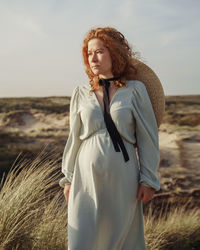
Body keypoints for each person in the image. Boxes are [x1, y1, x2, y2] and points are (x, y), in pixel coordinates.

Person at [59, 27, 165, 250]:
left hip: (123, 177)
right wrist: (68, 178)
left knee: (120, 239)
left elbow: (148, 137)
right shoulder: (80, 92)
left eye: (100, 51)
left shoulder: (136, 90)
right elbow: (74, 138)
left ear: (114, 54)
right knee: (82, 240)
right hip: (85, 178)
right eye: (89, 53)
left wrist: (148, 179)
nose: (93, 58)